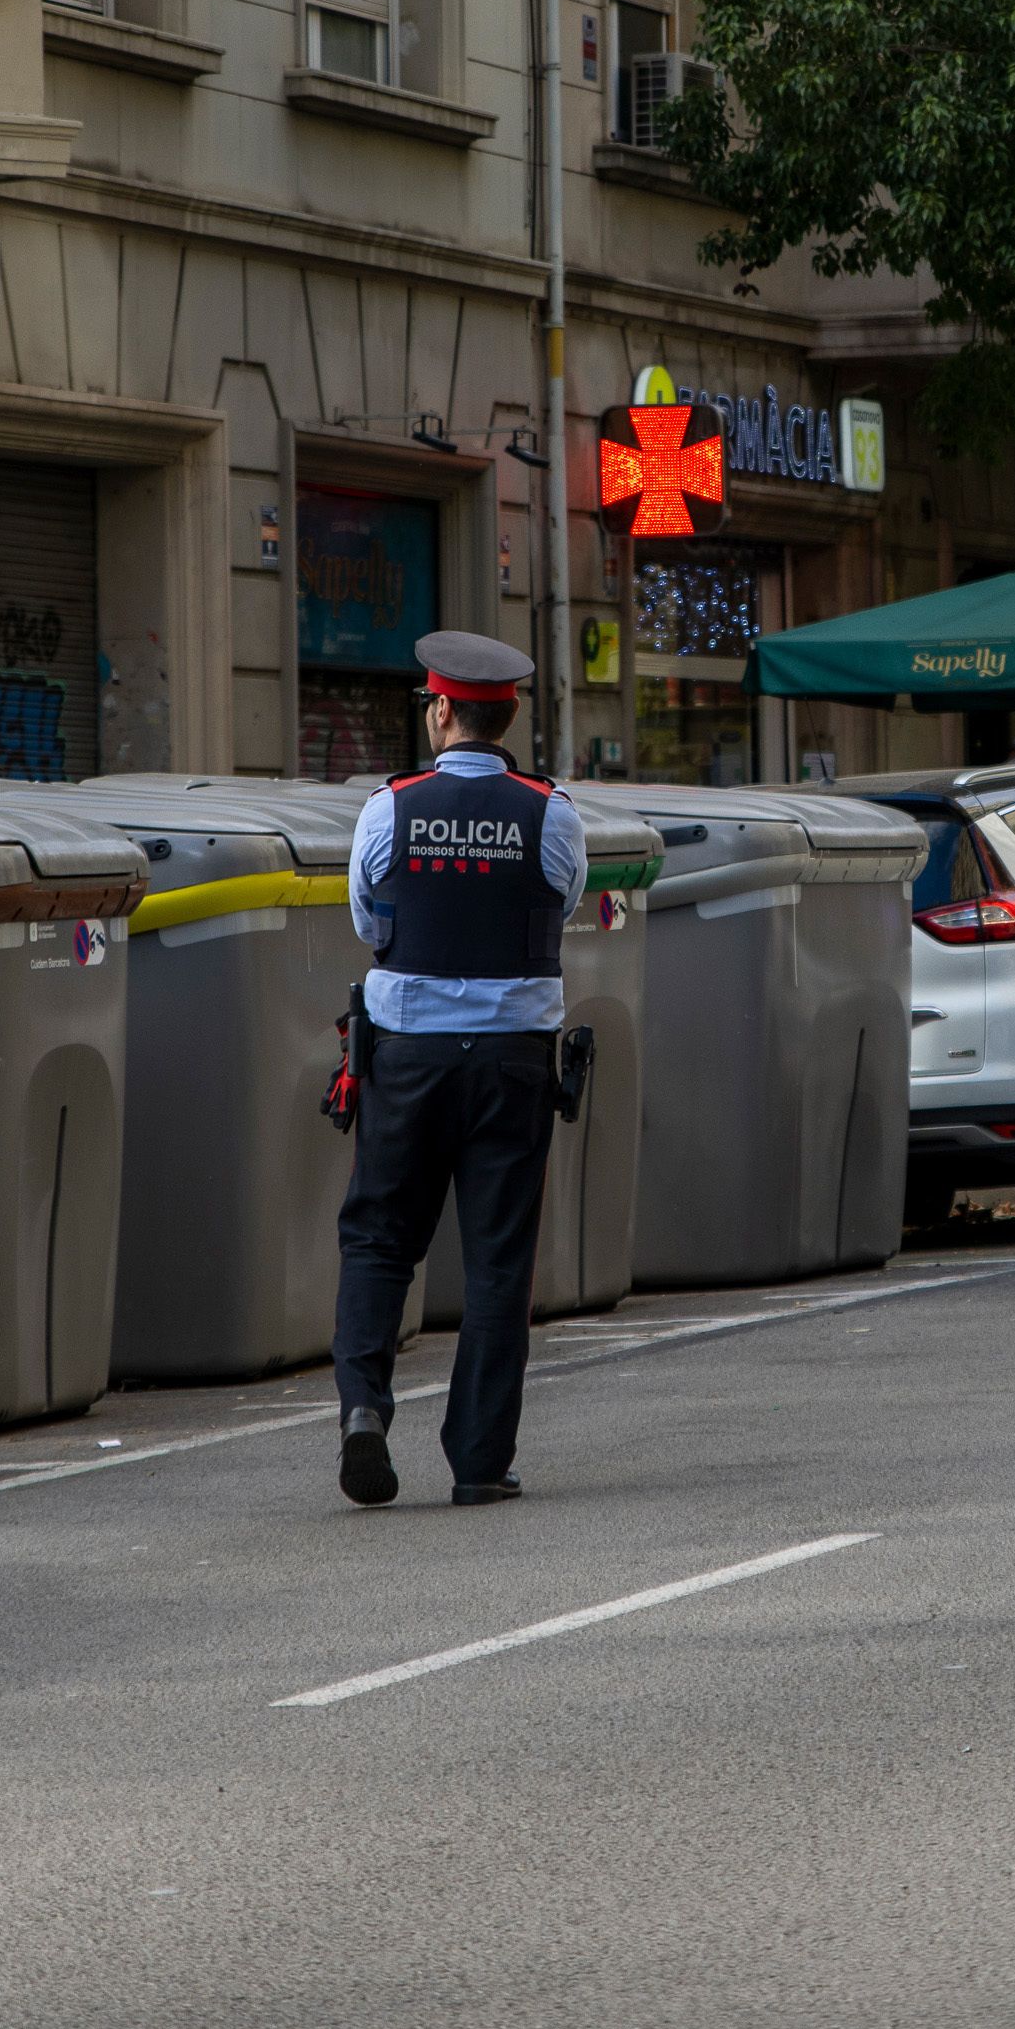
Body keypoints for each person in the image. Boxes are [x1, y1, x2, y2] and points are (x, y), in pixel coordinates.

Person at [330, 631, 583, 1508]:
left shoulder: (388, 806)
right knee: (499, 1261)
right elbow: (564, 902)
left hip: (407, 1059)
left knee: (378, 1240)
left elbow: (370, 921)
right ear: (506, 715)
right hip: (513, 1062)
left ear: (440, 711)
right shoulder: (550, 810)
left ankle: (363, 1409)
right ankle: (479, 1461)